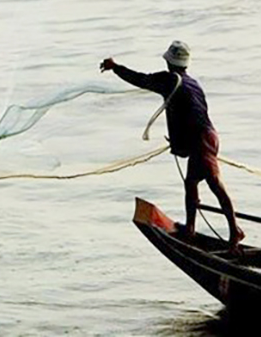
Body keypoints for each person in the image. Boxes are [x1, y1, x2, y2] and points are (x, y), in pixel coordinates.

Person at [100, 41, 244, 247]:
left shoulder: (169, 80)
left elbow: (141, 79)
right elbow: (195, 112)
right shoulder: (193, 83)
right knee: (191, 182)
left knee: (215, 184)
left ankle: (234, 230)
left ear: (169, 62)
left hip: (201, 140)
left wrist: (115, 67)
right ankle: (191, 228)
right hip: (208, 136)